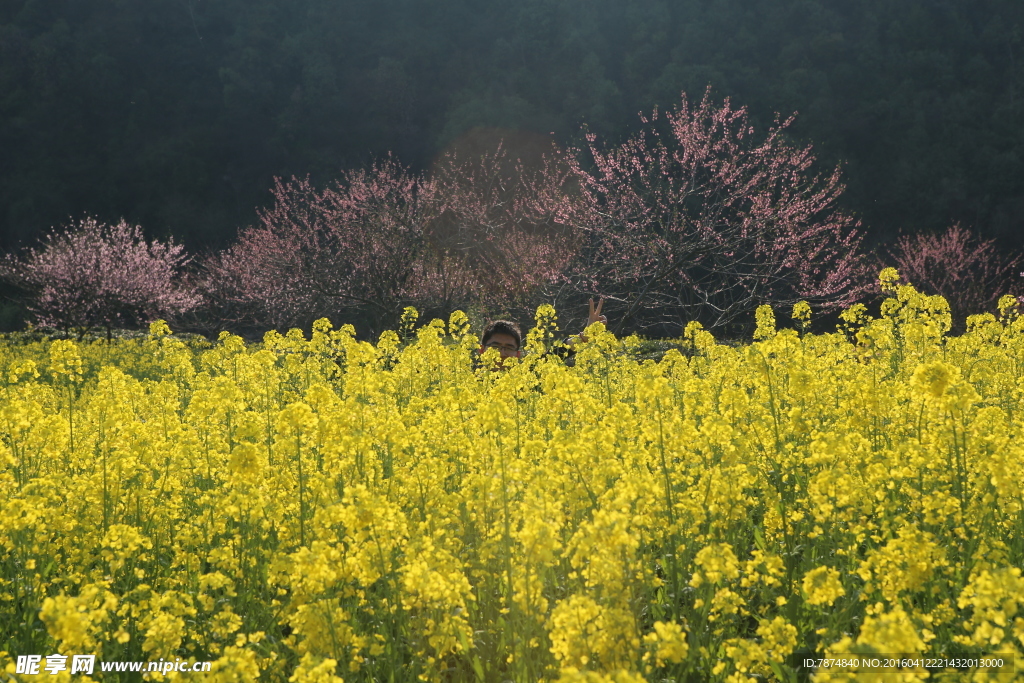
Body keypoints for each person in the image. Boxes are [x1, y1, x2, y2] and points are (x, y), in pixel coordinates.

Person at [478, 298, 608, 362]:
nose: (502, 353)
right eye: (495, 347)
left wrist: (584, 337)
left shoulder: (526, 378)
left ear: (518, 354)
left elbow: (554, 355)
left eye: (509, 348)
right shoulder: (465, 387)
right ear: (482, 350)